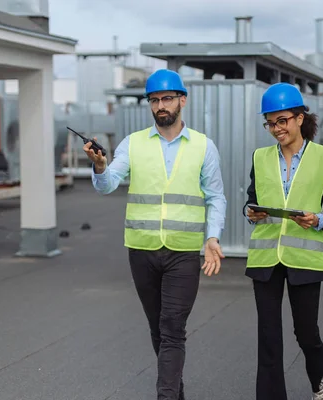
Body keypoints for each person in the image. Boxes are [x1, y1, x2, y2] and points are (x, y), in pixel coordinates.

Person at [83, 69, 227, 400]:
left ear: (182, 101)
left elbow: (215, 196)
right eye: (154, 100)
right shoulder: (132, 143)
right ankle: (175, 391)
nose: (160, 105)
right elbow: (108, 186)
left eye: (166, 99)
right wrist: (101, 167)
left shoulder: (204, 146)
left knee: (173, 328)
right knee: (157, 329)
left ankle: (165, 395)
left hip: (184, 252)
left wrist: (212, 237)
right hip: (142, 249)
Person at [243, 82, 323, 400]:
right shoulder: (260, 158)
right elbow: (250, 201)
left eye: (281, 121)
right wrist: (251, 213)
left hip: (305, 258)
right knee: (268, 336)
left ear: (300, 118)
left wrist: (317, 220)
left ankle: (318, 383)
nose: (275, 129)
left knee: (307, 335)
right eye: (270, 123)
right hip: (266, 258)